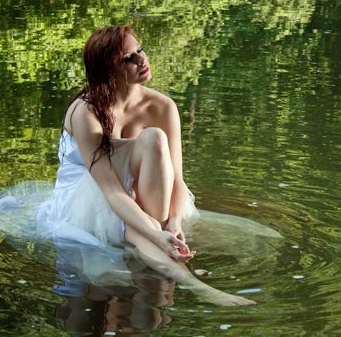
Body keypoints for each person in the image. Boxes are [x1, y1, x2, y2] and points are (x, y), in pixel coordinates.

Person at [38, 25, 255, 306]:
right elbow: (112, 190)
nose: (142, 60)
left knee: (154, 137)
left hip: (145, 190)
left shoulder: (162, 106)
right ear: (108, 70)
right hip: (92, 193)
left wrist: (174, 222)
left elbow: (176, 178)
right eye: (129, 59)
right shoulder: (85, 112)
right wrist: (154, 231)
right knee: (145, 230)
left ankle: (157, 245)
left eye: (140, 50)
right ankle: (193, 284)